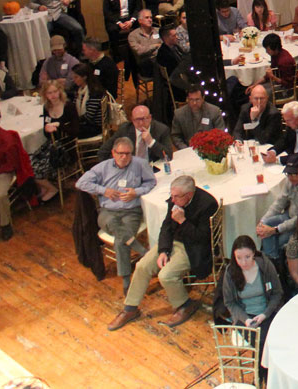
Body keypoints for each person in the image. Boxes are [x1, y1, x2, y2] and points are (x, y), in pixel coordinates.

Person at [108, 175, 218, 330]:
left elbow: (202, 238)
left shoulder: (208, 205)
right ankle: (130, 308)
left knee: (165, 275)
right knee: (142, 266)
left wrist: (183, 221)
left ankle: (184, 305)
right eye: (171, 195)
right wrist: (163, 251)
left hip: (192, 248)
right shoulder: (176, 199)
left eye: (176, 197)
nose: (172, 200)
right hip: (172, 242)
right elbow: (166, 227)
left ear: (188, 195)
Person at [76, 137, 156, 291]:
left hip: (131, 211)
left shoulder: (140, 164)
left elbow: (151, 182)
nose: (124, 157)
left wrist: (136, 192)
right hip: (108, 212)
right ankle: (141, 250)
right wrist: (103, 190)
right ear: (113, 153)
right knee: (113, 224)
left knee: (120, 241)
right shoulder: (103, 167)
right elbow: (80, 183)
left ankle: (126, 282)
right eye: (120, 153)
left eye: (128, 154)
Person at [255, 154, 298, 261]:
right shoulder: (291, 179)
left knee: (276, 241)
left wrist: (276, 230)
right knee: (266, 226)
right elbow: (279, 202)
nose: (290, 177)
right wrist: (263, 222)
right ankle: (271, 260)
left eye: (293, 174)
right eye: (288, 174)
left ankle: (272, 261)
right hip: (289, 216)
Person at [220, 235, 283, 346]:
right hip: (244, 317)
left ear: (254, 253)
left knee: (270, 341)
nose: (243, 262)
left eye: (247, 257)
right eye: (238, 258)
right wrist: (245, 319)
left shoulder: (266, 266)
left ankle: (261, 363)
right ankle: (262, 363)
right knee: (262, 342)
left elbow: (277, 293)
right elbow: (229, 302)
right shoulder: (230, 272)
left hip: (267, 311)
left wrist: (265, 314)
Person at [29, 79, 79, 202]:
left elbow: (75, 131)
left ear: (60, 91)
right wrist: (47, 129)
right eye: (49, 93)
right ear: (45, 95)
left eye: (55, 92)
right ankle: (48, 187)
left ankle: (51, 189)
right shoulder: (47, 108)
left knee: (38, 168)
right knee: (29, 164)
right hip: (52, 144)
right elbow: (46, 134)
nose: (53, 95)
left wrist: (59, 125)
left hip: (66, 147)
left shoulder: (68, 106)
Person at [104, 104, 174, 162]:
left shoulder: (161, 129)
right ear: (132, 119)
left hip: (152, 167)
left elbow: (168, 156)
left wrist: (151, 142)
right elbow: (103, 151)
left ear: (150, 118)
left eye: (143, 119)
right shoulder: (124, 130)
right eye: (137, 119)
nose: (141, 123)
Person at [169, 84, 226, 150]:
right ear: (187, 99)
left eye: (197, 99)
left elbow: (220, 134)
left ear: (203, 98)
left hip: (211, 150)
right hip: (188, 151)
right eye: (191, 100)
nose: (194, 103)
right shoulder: (179, 114)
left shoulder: (215, 111)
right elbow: (176, 136)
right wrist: (186, 150)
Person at [101, 0, 141, 67]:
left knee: (139, 26)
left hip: (130, 18)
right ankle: (117, 56)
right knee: (112, 30)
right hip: (116, 20)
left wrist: (131, 21)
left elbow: (138, 8)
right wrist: (118, 23)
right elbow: (107, 13)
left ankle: (137, 52)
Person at [71, 63, 107, 138]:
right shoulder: (79, 90)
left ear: (84, 77)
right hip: (85, 123)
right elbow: (73, 107)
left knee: (68, 132)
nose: (74, 80)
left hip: (94, 126)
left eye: (76, 77)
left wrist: (73, 121)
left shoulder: (95, 92)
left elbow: (89, 116)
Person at [126, 9, 161, 81]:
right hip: (145, 65)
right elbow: (139, 51)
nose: (150, 20)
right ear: (140, 21)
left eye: (151, 17)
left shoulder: (158, 31)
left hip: (160, 60)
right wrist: (155, 46)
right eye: (147, 18)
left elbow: (164, 45)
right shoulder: (133, 35)